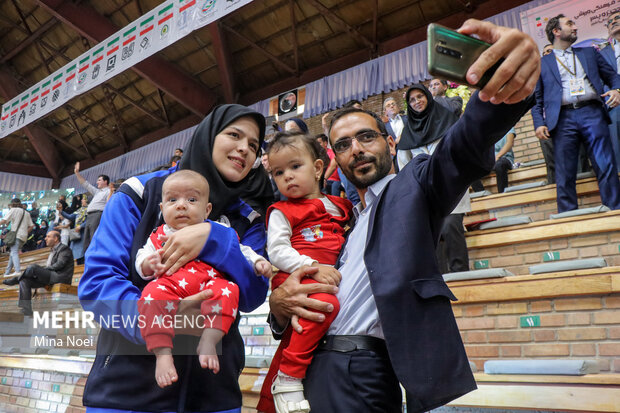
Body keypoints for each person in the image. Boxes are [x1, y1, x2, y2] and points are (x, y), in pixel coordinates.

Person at [267, 18, 540, 412]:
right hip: (306, 366)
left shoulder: (416, 185)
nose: (356, 149)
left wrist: (500, 91)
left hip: (362, 368)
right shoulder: (339, 221)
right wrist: (278, 308)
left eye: (366, 136)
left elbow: (461, 147)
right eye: (343, 144)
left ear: (391, 143)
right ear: (334, 160)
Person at [78, 104, 270, 413]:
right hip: (126, 393)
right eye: (234, 135)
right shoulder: (141, 192)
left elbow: (253, 295)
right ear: (207, 136)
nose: (243, 148)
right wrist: (158, 319)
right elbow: (97, 283)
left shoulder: (247, 217)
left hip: (214, 397)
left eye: (253, 144)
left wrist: (216, 240)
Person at [136, 170, 271, 388]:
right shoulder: (158, 235)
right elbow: (141, 258)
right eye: (172, 200)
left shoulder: (218, 229)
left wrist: (257, 262)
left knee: (229, 289)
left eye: (191, 199)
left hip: (210, 284)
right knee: (150, 295)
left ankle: (209, 340)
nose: (181, 205)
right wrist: (147, 264)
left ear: (207, 209)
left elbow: (243, 250)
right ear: (161, 209)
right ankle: (162, 354)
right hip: (169, 286)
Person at [257, 132, 352, 413]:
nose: (287, 176)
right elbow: (276, 250)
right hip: (295, 275)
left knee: (311, 321)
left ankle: (277, 388)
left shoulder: (343, 208)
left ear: (319, 168)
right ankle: (288, 376)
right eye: (278, 172)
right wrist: (310, 266)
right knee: (326, 304)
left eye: (295, 166)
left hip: (324, 277)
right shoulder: (281, 211)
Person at [532, 14, 620, 212]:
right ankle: (568, 218)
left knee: (605, 164)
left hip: (592, 113)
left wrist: (617, 90)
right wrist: (539, 123)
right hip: (562, 120)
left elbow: (614, 77)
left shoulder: (589, 53)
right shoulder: (542, 63)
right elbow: (536, 99)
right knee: (564, 171)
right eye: (570, 24)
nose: (575, 27)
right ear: (556, 31)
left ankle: (615, 210)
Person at [398, 84, 470, 273]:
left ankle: (461, 274)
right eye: (412, 100)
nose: (417, 102)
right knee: (432, 234)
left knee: (451, 226)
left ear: (428, 96)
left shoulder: (447, 119)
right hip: (425, 191)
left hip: (451, 184)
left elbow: (461, 148)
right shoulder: (408, 132)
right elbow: (404, 164)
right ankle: (440, 280)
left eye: (420, 96)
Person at [2, 230, 73, 316]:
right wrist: (43, 271)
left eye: (48, 236)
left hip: (60, 277)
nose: (45, 238)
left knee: (33, 267)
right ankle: (26, 310)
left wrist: (43, 270)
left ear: (56, 238)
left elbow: (59, 265)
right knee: (24, 280)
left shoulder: (64, 248)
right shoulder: (52, 250)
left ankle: (16, 279)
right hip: (50, 277)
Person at [73, 162, 111, 252]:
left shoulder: (108, 191)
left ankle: (96, 256)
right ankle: (88, 258)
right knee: (87, 240)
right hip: (89, 216)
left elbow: (109, 204)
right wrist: (77, 173)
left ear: (105, 181)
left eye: (99, 180)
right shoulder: (97, 192)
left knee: (94, 237)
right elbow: (85, 184)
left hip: (98, 215)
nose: (97, 182)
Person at [600, 11, 620, 173]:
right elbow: (601, 82)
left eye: (617, 18)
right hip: (615, 106)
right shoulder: (603, 53)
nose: (613, 22)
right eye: (610, 21)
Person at [0, 198, 34, 276]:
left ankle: (18, 271)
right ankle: (7, 273)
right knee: (13, 253)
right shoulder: (26, 213)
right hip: (23, 237)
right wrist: (25, 232)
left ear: (12, 204)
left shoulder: (13, 210)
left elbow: (4, 221)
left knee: (14, 252)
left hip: (16, 235)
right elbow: (31, 226)